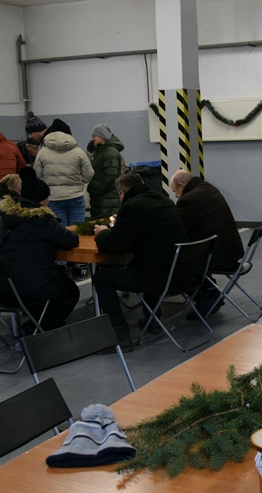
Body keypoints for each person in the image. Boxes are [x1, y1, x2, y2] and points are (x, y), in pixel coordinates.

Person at [93, 172, 189, 348]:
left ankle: (120, 335)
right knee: (144, 262)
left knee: (101, 277)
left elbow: (109, 245)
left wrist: (102, 232)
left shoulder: (133, 207)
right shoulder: (165, 201)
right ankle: (152, 319)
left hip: (158, 276)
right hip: (181, 273)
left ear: (122, 193)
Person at [0, 168, 80, 332]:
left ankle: (36, 318)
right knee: (69, 292)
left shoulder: (8, 217)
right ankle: (41, 325)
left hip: (4, 286)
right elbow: (69, 240)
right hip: (32, 285)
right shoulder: (40, 219)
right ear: (42, 199)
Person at [169, 169, 243, 315]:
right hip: (232, 250)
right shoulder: (208, 188)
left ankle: (207, 297)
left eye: (175, 191)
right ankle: (211, 294)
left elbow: (177, 228)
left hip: (219, 256)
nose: (176, 196)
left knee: (181, 261)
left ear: (182, 185)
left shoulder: (188, 199)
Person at [34, 129, 93, 227]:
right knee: (78, 227)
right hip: (75, 195)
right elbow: (89, 174)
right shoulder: (78, 152)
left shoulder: (42, 153)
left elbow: (38, 175)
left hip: (54, 196)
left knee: (60, 227)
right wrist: (81, 181)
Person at [88, 123, 125, 219]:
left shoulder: (110, 151)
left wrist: (97, 190)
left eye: (94, 136)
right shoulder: (100, 150)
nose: (92, 138)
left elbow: (110, 176)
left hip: (107, 198)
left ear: (102, 136)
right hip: (102, 197)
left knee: (106, 224)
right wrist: (90, 152)